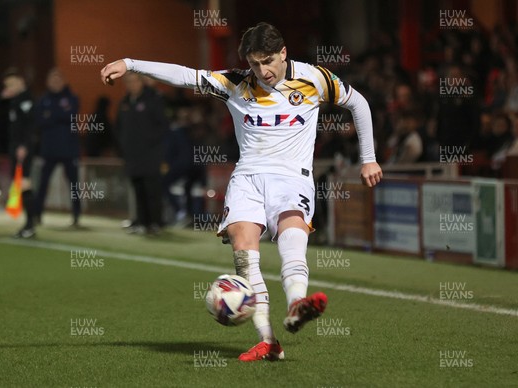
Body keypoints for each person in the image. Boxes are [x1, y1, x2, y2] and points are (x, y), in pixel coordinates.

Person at [101, 22, 382, 361]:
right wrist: (131, 64)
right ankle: (268, 341)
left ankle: (297, 304)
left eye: (268, 61)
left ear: (283, 53)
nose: (262, 71)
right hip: (248, 177)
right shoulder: (235, 83)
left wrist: (368, 159)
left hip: (293, 176)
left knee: (292, 230)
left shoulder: (314, 78)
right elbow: (187, 76)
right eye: (254, 64)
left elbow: (360, 104)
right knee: (244, 252)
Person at [113, 73, 167, 235]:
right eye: (128, 82)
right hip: (132, 156)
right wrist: (123, 147)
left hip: (150, 155)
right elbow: (118, 127)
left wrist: (150, 143)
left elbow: (163, 126)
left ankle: (155, 223)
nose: (131, 85)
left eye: (134, 81)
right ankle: (141, 222)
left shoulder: (153, 99)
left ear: (141, 82)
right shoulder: (125, 102)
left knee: (152, 190)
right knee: (137, 190)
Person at [33, 68, 81, 227]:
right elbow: (39, 121)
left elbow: (71, 116)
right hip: (49, 150)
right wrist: (60, 115)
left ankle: (76, 216)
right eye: (52, 80)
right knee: (43, 184)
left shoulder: (72, 98)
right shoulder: (42, 100)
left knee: (74, 185)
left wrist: (51, 115)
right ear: (48, 82)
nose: (55, 83)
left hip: (69, 149)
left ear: (63, 81)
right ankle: (37, 214)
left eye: (58, 79)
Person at [1, 69, 37, 238]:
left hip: (23, 148)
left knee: (24, 183)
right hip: (16, 147)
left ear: (21, 82)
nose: (9, 87)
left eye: (12, 84)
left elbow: (31, 126)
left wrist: (24, 145)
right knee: (21, 184)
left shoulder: (26, 100)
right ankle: (30, 222)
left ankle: (31, 223)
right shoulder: (15, 100)